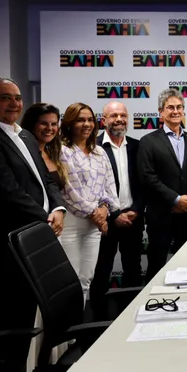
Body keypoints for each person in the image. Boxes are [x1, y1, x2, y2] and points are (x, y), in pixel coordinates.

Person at [0, 79, 64, 361]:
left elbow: (46, 179)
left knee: (25, 315)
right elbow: (5, 190)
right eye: (5, 97)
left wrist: (58, 208)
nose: (14, 103)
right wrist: (45, 217)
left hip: (34, 237)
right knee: (2, 323)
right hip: (2, 248)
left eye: (18, 98)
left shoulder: (25, 136)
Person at [138, 88, 187, 280]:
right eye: (170, 107)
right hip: (161, 214)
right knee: (157, 265)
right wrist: (175, 199)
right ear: (161, 112)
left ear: (183, 111)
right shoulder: (148, 141)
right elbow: (147, 177)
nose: (175, 111)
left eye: (179, 107)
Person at [58, 102, 119, 302]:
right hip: (71, 224)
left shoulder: (99, 152)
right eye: (80, 120)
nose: (86, 124)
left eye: (90, 120)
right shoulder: (62, 150)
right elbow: (69, 190)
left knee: (86, 279)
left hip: (94, 226)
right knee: (69, 281)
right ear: (69, 123)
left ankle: (79, 320)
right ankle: (65, 324)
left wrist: (104, 209)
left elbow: (109, 187)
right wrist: (96, 214)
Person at [89, 101, 144, 318]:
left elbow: (144, 183)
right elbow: (92, 189)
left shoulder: (137, 146)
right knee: (101, 271)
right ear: (104, 120)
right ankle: (98, 321)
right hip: (105, 222)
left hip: (133, 219)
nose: (119, 119)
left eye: (122, 115)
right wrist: (114, 215)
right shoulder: (93, 147)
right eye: (113, 116)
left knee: (133, 270)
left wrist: (136, 209)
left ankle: (131, 316)